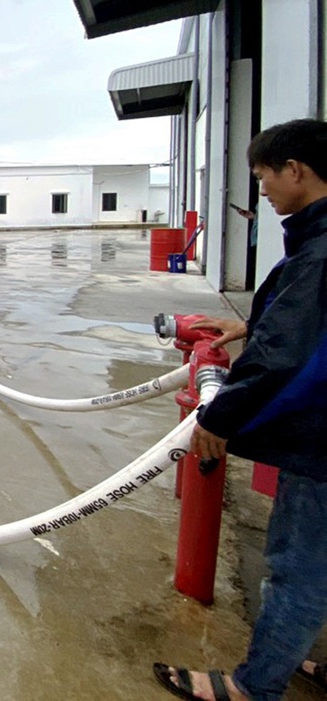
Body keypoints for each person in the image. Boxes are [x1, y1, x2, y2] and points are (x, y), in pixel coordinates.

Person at [154, 118, 327, 700]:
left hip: (321, 444)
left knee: (298, 566)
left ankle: (257, 687)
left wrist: (218, 418)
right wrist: (253, 324)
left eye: (263, 177)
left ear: (295, 171)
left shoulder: (318, 250)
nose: (263, 190)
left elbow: (287, 358)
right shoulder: (317, 243)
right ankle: (300, 652)